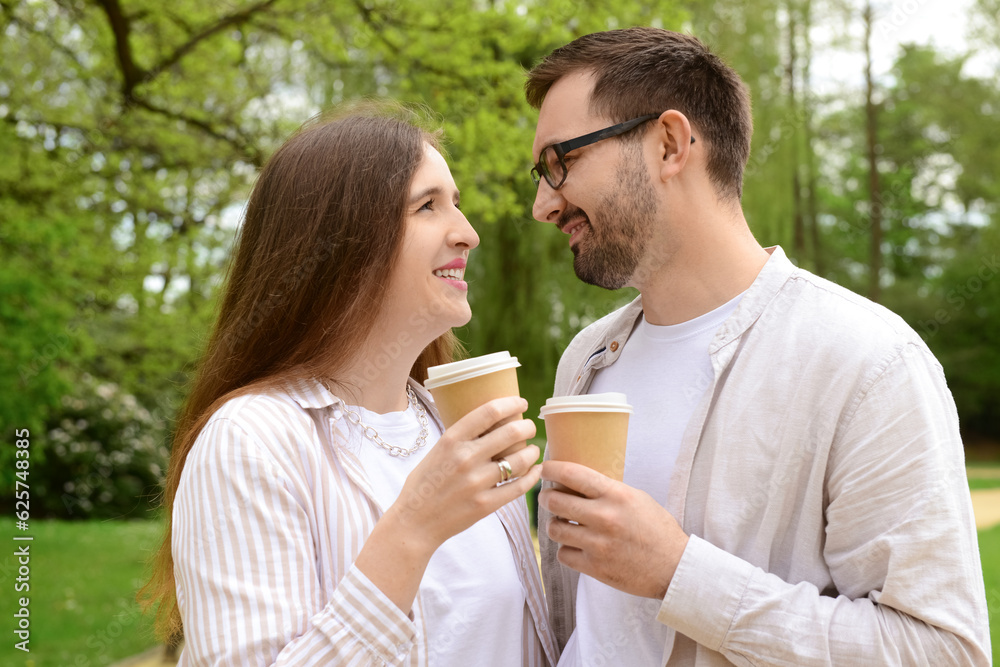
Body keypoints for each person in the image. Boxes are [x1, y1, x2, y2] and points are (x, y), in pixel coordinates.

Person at [526, 27, 991, 665]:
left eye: (560, 163)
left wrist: (679, 574)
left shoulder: (867, 362)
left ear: (668, 144)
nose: (542, 205)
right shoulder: (586, 359)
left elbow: (938, 650)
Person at [140, 107, 558, 666]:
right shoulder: (251, 441)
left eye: (456, 204)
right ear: (341, 241)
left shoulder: (451, 425)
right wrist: (413, 529)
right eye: (428, 206)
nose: (468, 234)